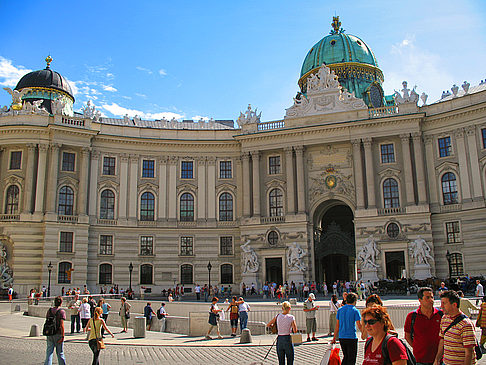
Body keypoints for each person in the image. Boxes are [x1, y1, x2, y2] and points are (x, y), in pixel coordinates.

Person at [434, 290, 478, 365]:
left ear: (454, 305)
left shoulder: (466, 324)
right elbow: (442, 340)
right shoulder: (444, 318)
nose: (441, 306)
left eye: (444, 303)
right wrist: (437, 359)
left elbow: (469, 352)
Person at [404, 287, 443, 365]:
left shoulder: (441, 314)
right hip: (420, 359)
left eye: (432, 297)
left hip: (439, 358)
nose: (431, 300)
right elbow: (407, 336)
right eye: (427, 298)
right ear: (420, 300)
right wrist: (416, 347)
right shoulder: (412, 316)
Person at [331, 292, 363, 365]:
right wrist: (363, 334)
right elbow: (359, 325)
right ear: (355, 301)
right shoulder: (355, 310)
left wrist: (334, 338)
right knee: (351, 359)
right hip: (351, 337)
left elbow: (337, 326)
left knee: (346, 357)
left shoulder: (340, 310)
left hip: (342, 337)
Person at [266, 301, 297, 365]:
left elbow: (268, 324)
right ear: (289, 309)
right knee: (290, 359)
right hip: (287, 338)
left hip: (279, 339)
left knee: (281, 361)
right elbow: (295, 330)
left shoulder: (278, 316)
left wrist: (276, 327)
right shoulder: (291, 317)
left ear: (282, 308)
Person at [43, 296, 66, 365]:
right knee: (60, 353)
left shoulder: (49, 310)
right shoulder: (61, 311)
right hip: (58, 333)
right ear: (61, 303)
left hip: (50, 332)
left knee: (49, 352)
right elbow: (62, 325)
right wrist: (63, 336)